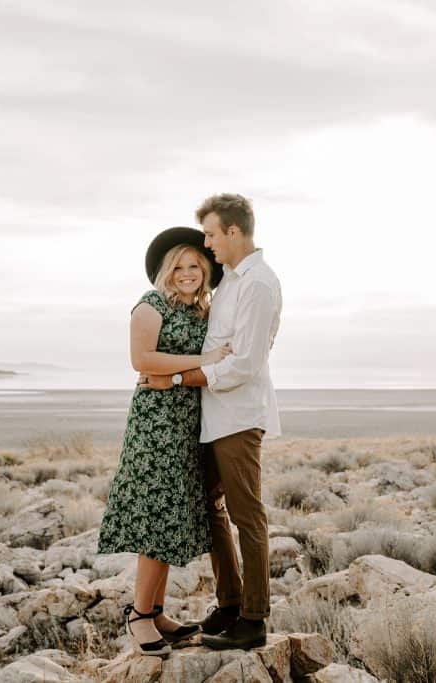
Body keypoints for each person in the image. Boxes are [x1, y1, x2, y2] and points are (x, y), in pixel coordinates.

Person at [140, 194, 283, 650]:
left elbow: (243, 364)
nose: (207, 244)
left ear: (234, 232)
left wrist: (179, 377)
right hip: (213, 416)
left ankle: (253, 620)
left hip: (239, 417)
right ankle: (230, 602)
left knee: (247, 516)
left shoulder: (257, 284)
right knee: (212, 509)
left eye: (211, 235)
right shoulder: (229, 286)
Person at [96, 227, 232, 657]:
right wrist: (203, 360)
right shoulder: (149, 304)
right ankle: (138, 615)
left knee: (170, 519)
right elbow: (142, 360)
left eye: (196, 265)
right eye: (180, 266)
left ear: (206, 270)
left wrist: (173, 375)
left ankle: (155, 612)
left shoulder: (200, 312)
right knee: (156, 518)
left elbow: (163, 370)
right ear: (166, 271)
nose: (188, 273)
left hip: (188, 426)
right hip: (156, 427)